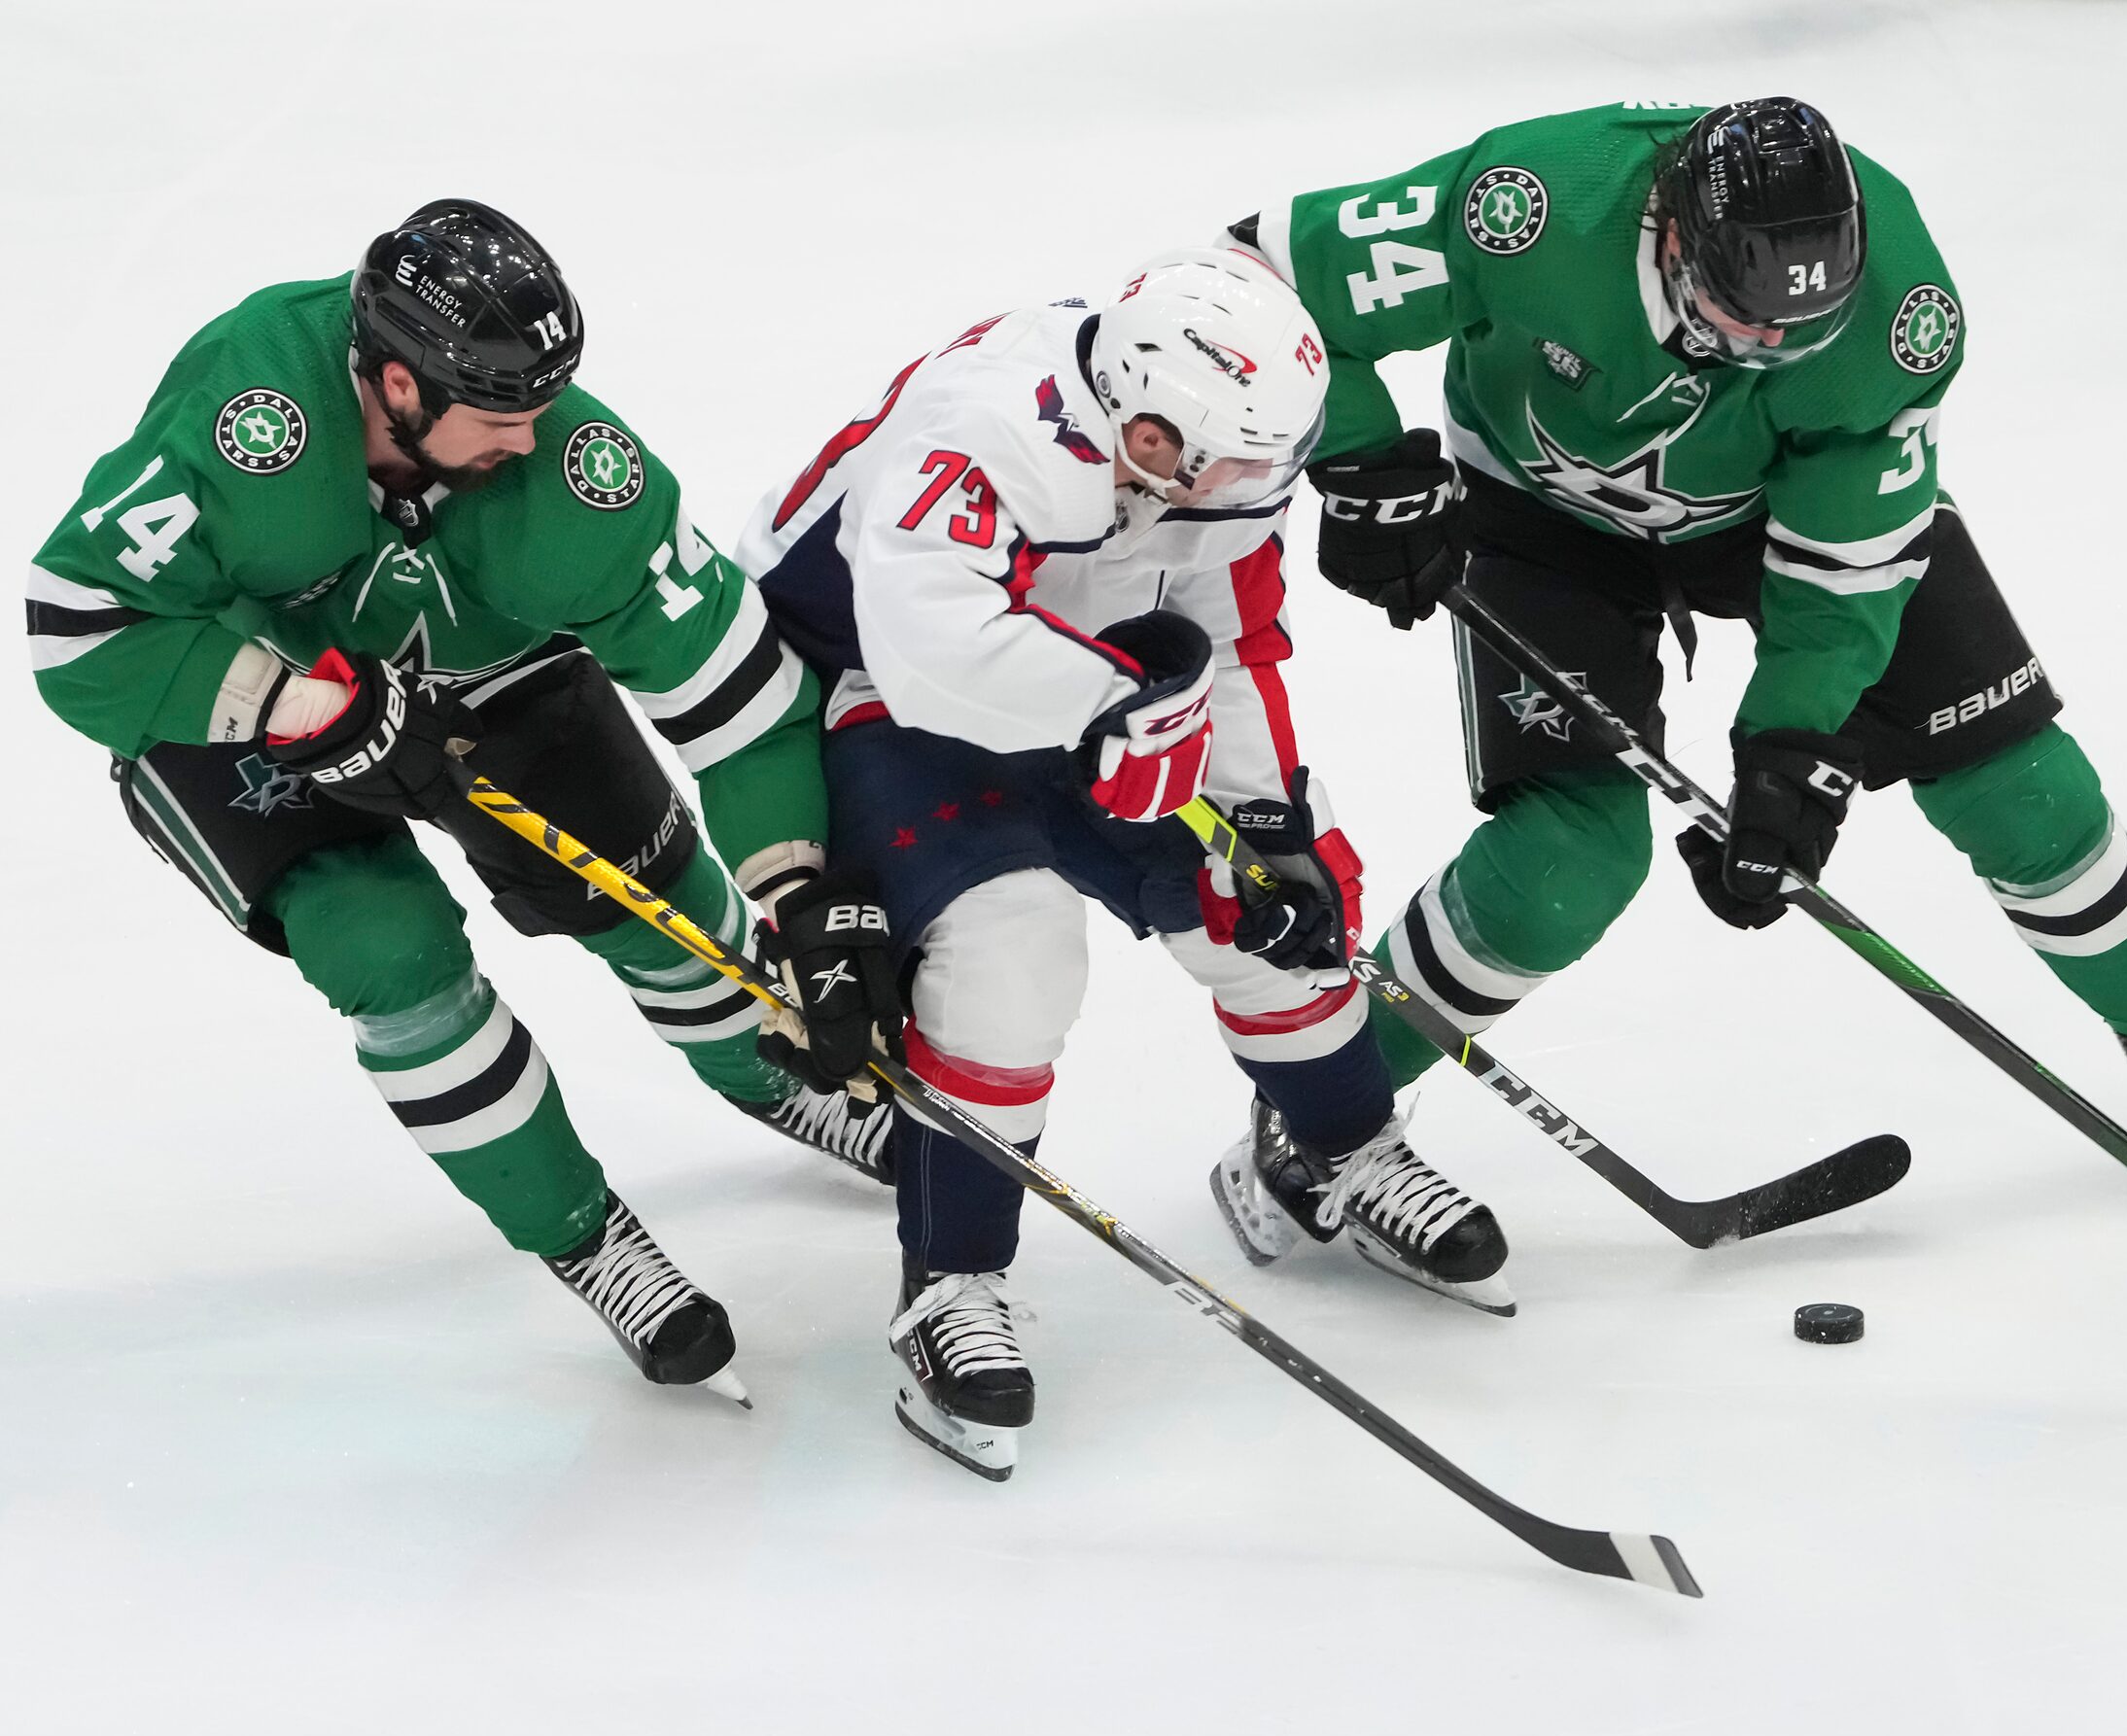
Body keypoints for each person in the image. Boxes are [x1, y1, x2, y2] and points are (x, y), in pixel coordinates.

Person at [1222, 99, 2127, 1202]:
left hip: (1762, 512)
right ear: (1674, 233)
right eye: (1738, 317)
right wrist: (1364, 465)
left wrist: (1790, 745)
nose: (1766, 347)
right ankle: (1322, 1117)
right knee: (1567, 868)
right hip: (1533, 509)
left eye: (1798, 331)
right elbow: (1266, 276)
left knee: (2015, 778)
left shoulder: (1903, 314)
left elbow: (1845, 561)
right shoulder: (1535, 200)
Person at [23, 199, 894, 1405]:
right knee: (388, 951)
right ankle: (583, 1234)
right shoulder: (248, 412)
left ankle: (769, 1074)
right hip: (226, 680)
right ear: (395, 383)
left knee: (651, 887)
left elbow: (743, 703)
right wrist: (296, 707)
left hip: (482, 661)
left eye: (540, 412)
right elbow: (77, 633)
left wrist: (798, 891)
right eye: (500, 420)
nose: (532, 445)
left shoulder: (580, 476)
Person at [737, 248, 1507, 1481]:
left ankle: (1340, 1144)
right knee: (1010, 955)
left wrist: (1262, 820)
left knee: (1262, 910)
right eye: (1231, 464)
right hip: (874, 693)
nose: (1250, 490)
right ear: (1149, 422)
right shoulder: (991, 421)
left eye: (1267, 467)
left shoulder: (1206, 446)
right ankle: (951, 1286)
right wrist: (1116, 708)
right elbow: (930, 644)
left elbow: (1230, 629)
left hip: (1092, 684)